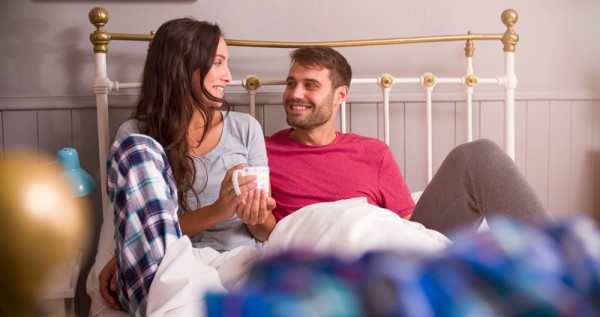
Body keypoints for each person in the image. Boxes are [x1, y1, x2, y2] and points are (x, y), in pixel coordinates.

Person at [266, 46, 553, 236]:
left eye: (310, 85)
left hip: (387, 253)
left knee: (478, 155)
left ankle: (565, 270)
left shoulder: (372, 153)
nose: (295, 94)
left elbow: (408, 225)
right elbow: (264, 230)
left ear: (340, 95)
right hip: (316, 260)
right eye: (291, 83)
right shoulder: (263, 152)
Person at [96, 18, 276, 316]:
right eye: (218, 63)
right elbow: (146, 233)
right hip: (162, 267)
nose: (228, 76)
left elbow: (264, 231)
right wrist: (218, 210)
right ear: (183, 67)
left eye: (226, 63)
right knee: (138, 150)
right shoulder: (134, 137)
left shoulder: (246, 129)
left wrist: (253, 214)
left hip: (233, 262)